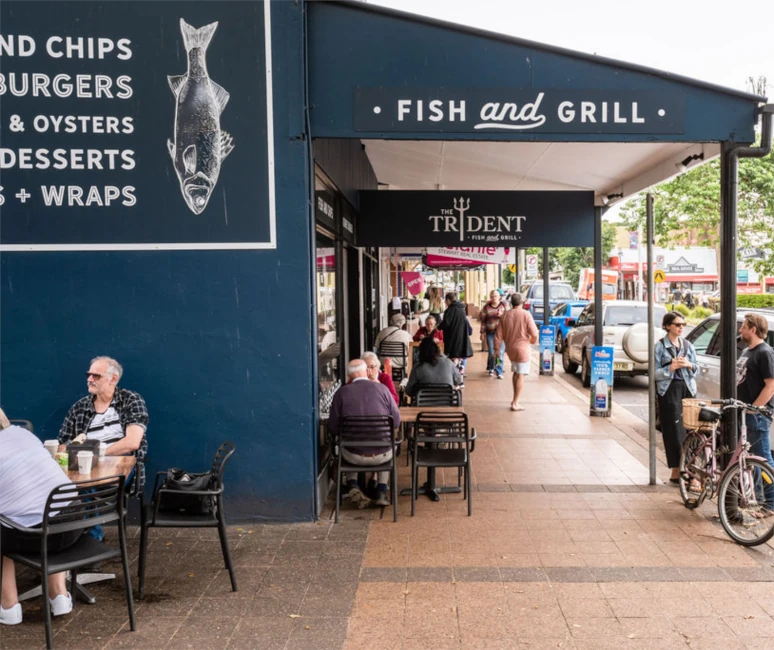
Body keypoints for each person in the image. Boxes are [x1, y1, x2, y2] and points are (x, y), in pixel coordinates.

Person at [59, 356, 148, 540]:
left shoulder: (131, 401)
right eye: (89, 374)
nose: (89, 379)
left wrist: (95, 454)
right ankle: (66, 539)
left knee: (87, 486)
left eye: (96, 376)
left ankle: (90, 543)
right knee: (65, 484)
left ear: (112, 379)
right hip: (84, 466)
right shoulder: (80, 407)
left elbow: (132, 442)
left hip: (122, 465)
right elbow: (63, 443)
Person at [1, 413, 77, 625]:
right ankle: (59, 595)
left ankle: (8, 607)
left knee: (6, 523)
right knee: (44, 508)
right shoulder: (24, 434)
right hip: (74, 526)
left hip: (38, 536)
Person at [328, 359, 401, 508]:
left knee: (346, 443)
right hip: (381, 455)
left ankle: (353, 485)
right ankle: (381, 491)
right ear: (366, 372)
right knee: (388, 444)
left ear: (349, 377)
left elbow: (333, 427)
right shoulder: (382, 389)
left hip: (352, 455)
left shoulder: (341, 393)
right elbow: (396, 421)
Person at [654, 311, 698, 483]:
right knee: (674, 432)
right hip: (669, 390)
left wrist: (688, 365)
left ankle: (680, 471)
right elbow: (653, 373)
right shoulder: (659, 347)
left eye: (683, 325)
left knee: (691, 430)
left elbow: (697, 368)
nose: (681, 328)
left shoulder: (688, 346)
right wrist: (670, 368)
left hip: (688, 389)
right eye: (677, 324)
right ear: (667, 326)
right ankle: (683, 471)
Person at [736, 312, 774, 512]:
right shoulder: (747, 351)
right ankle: (760, 500)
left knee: (763, 459)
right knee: (752, 461)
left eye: (743, 326)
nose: (740, 329)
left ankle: (770, 504)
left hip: (756, 415)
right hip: (744, 414)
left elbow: (771, 385)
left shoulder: (764, 352)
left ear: (753, 329)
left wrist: (755, 408)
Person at [495, 292, 538, 411]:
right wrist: (533, 340)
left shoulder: (505, 315)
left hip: (510, 349)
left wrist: (497, 349)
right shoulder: (526, 314)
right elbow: (534, 333)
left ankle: (514, 400)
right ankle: (515, 402)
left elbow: (498, 335)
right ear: (522, 302)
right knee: (520, 375)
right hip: (522, 349)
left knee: (516, 373)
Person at [438, 292, 474, 377]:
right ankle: (459, 378)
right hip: (461, 337)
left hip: (452, 338)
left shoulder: (450, 310)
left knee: (453, 358)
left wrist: (439, 326)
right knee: (458, 359)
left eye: (445, 301)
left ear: (448, 300)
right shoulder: (461, 309)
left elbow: (446, 323)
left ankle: (455, 378)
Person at [480, 290, 508, 378]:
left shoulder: (504, 306)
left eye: (496, 296)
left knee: (500, 352)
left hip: (502, 333)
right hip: (490, 332)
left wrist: (502, 315)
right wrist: (482, 333)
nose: (494, 298)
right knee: (492, 352)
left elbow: (509, 318)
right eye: (492, 296)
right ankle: (491, 367)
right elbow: (483, 321)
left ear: (499, 297)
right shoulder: (486, 307)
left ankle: (499, 370)